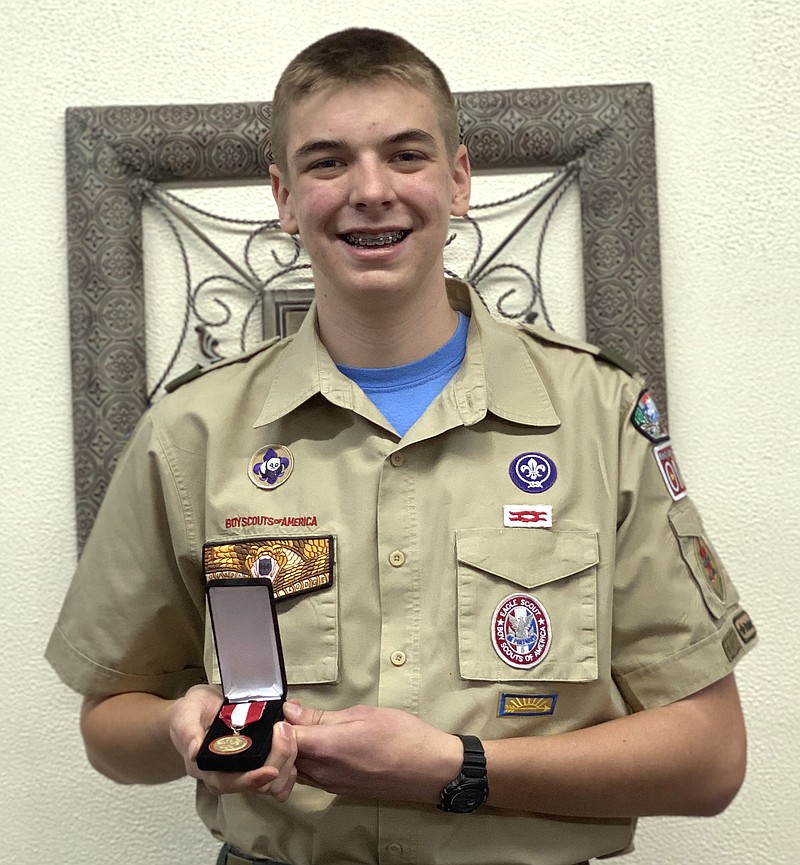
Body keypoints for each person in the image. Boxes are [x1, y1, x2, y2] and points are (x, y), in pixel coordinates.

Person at [47, 27, 757, 865]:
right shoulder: (192, 433)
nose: (370, 189)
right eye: (327, 161)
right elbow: (108, 727)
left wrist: (457, 769)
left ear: (458, 179)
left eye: (406, 154)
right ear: (283, 194)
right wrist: (177, 726)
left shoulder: (596, 414)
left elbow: (710, 758)